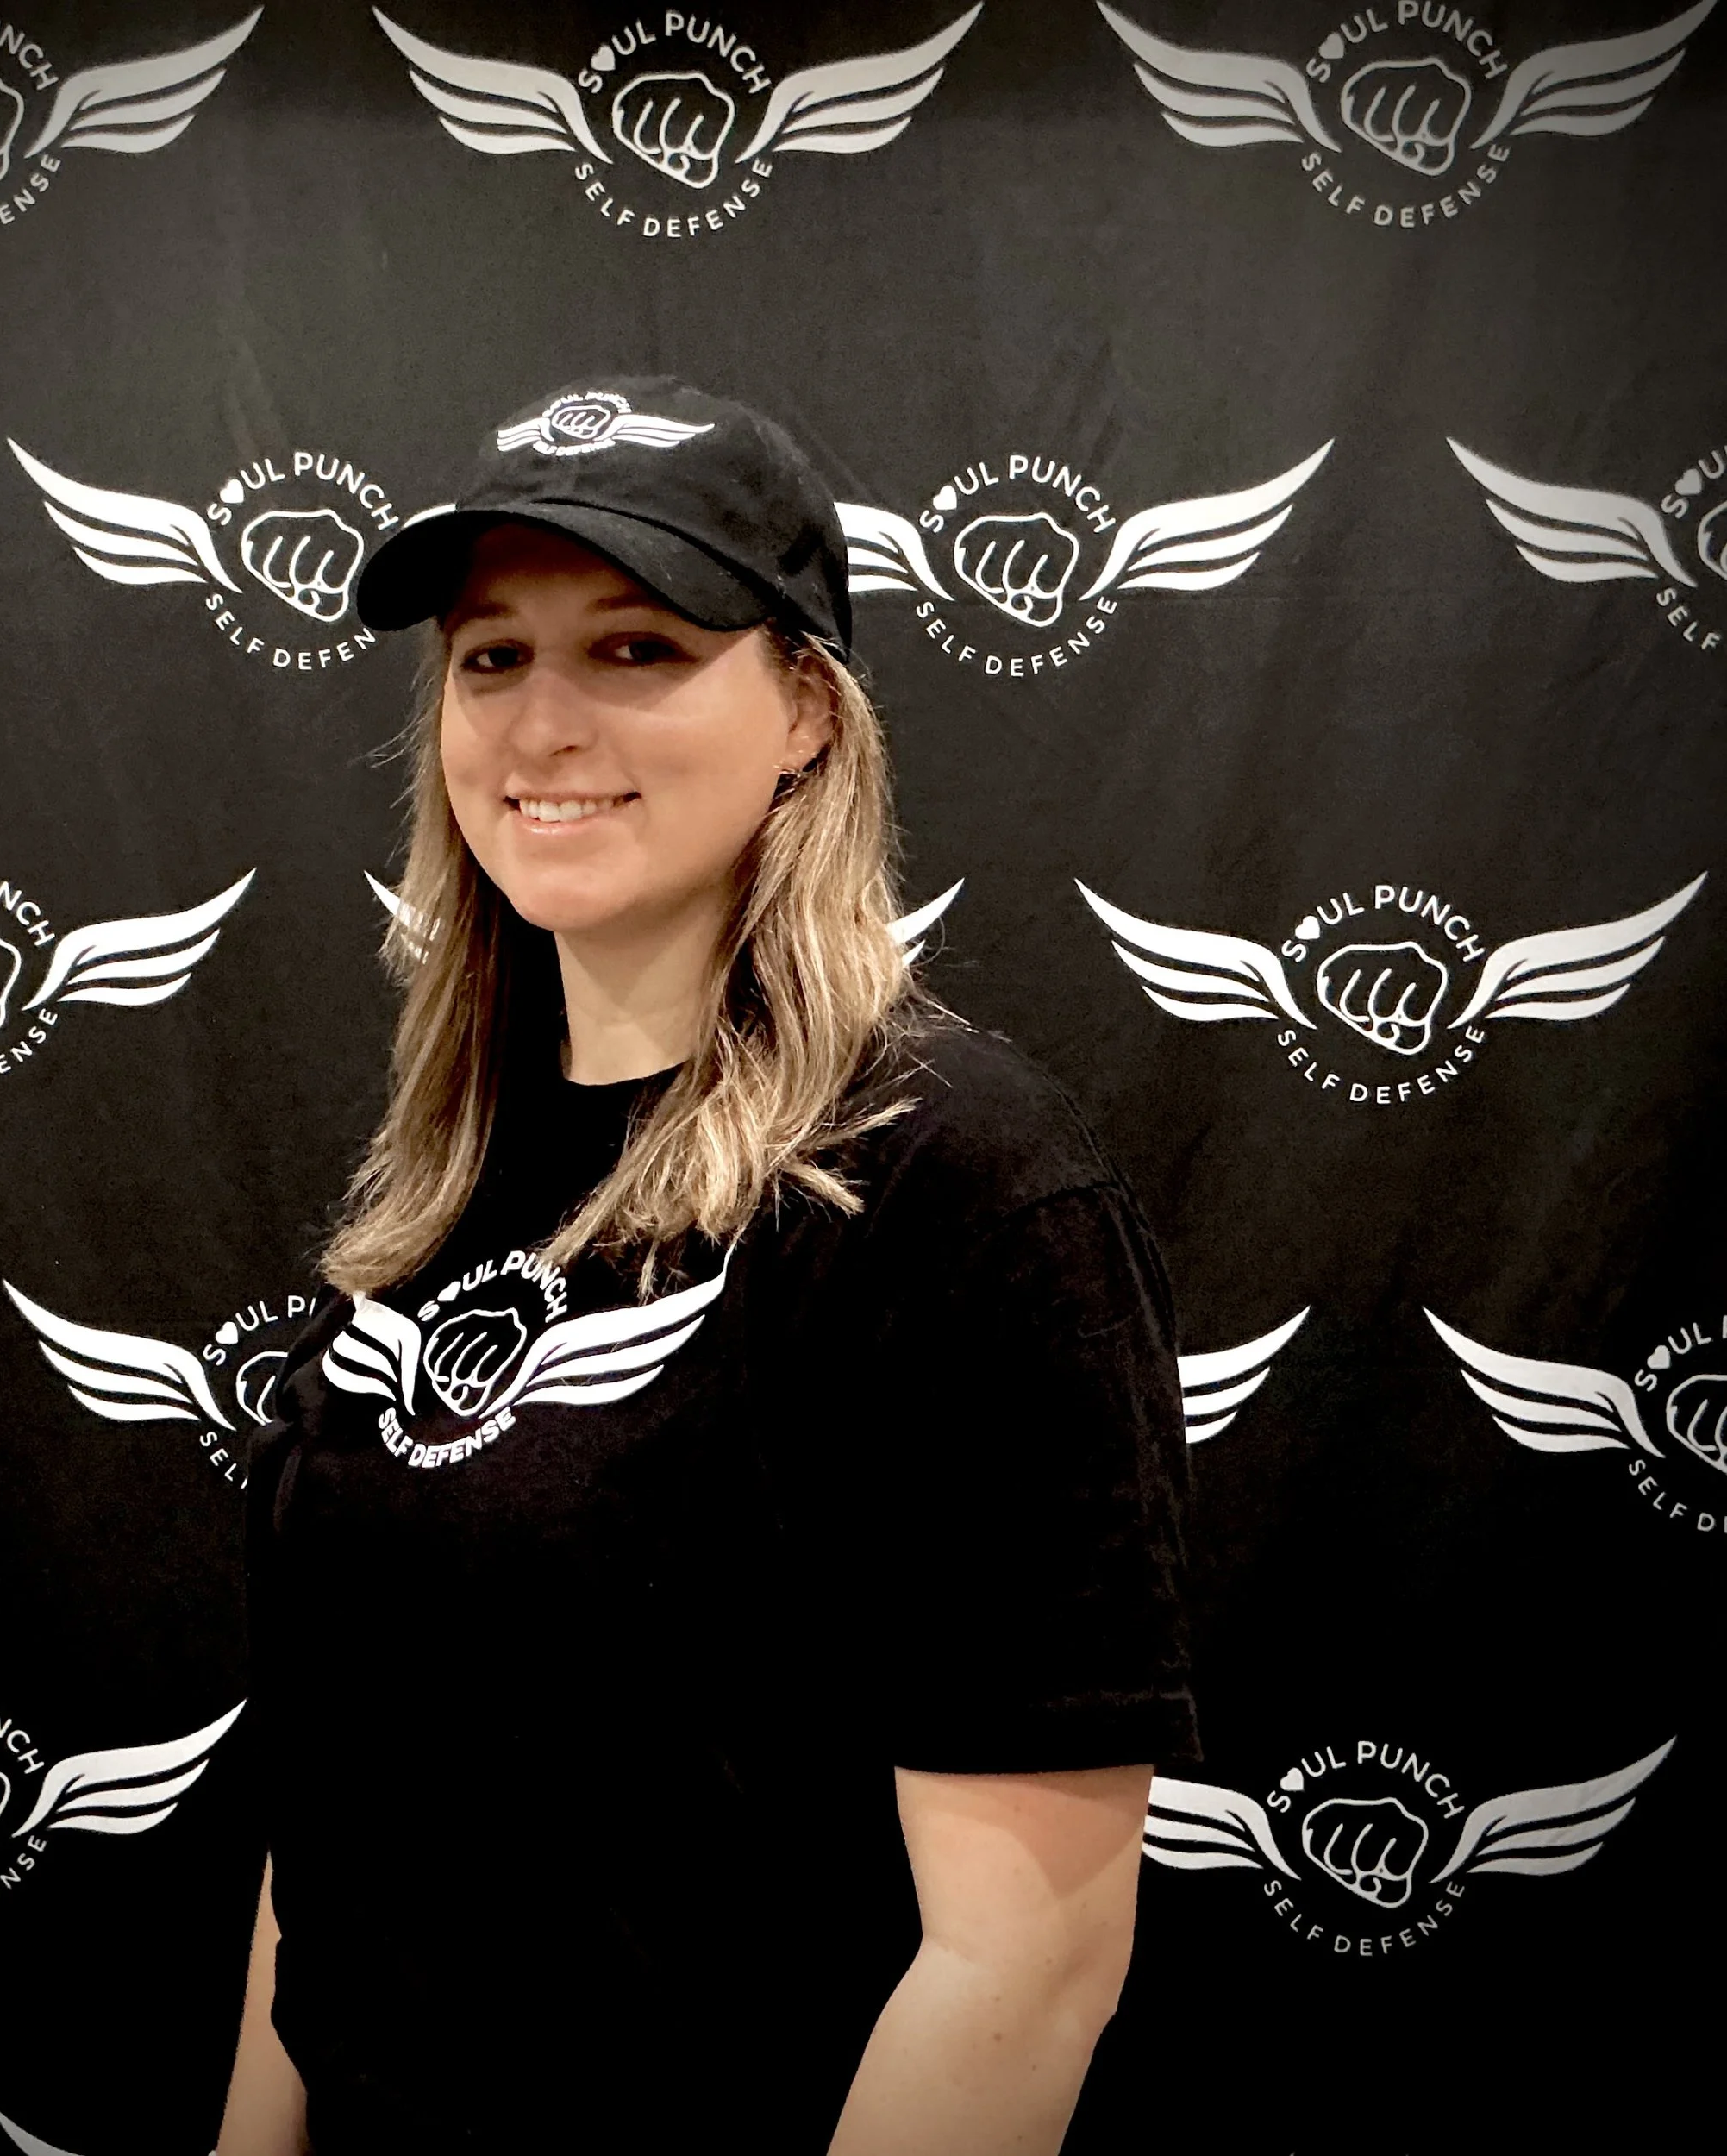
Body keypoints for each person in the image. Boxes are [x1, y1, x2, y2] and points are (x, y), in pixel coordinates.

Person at [217, 379, 1195, 2156]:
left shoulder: (961, 1189)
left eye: (639, 646)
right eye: (489, 655)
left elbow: (1024, 1966)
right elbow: (330, 1821)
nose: (542, 720)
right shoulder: (432, 1191)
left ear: (806, 709)